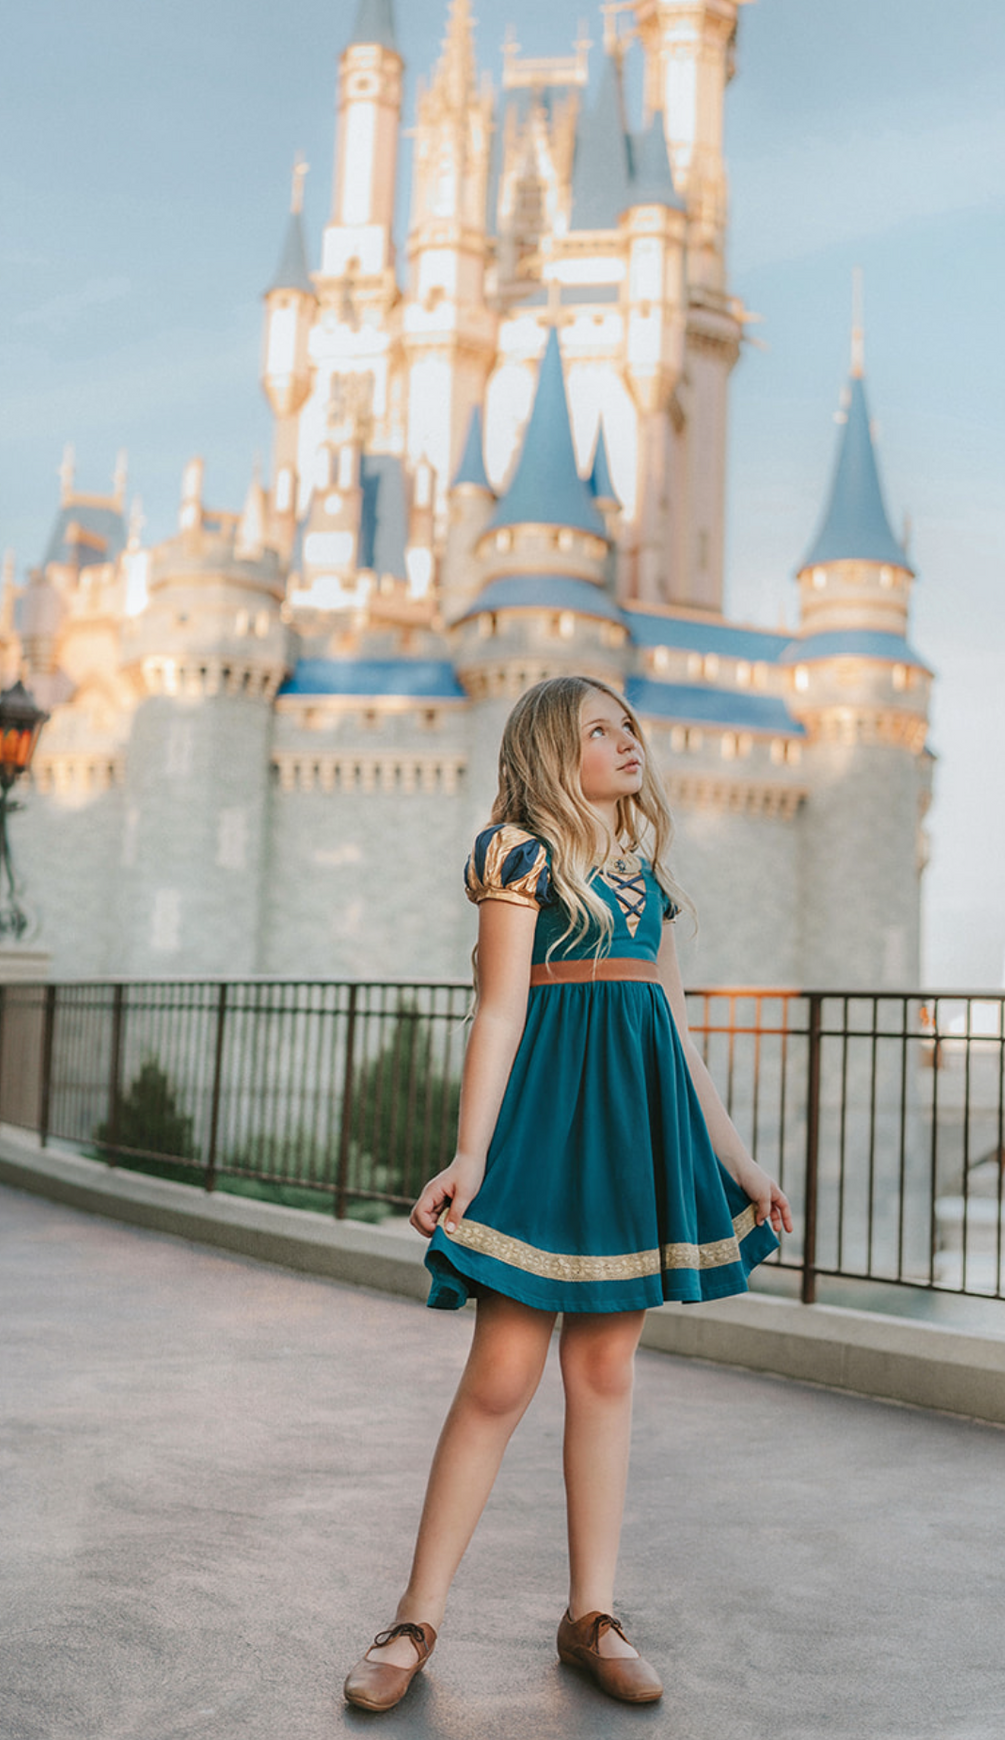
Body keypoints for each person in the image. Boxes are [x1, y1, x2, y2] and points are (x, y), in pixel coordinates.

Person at [343, 674, 792, 1713]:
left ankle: (591, 1613)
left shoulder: (646, 876)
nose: (625, 740)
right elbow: (497, 1015)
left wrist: (737, 1160)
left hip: (635, 1141)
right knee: (501, 1375)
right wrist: (470, 1157)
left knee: (605, 1373)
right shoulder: (517, 855)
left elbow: (679, 1036)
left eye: (627, 724)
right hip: (545, 1134)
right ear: (554, 752)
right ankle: (414, 1616)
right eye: (599, 730)